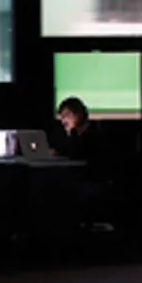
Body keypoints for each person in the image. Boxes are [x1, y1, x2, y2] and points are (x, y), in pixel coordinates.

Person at [53, 96, 114, 228]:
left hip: (94, 181)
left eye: (67, 116)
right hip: (83, 180)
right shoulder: (77, 135)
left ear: (79, 114)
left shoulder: (93, 135)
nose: (63, 120)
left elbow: (77, 155)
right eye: (62, 117)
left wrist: (69, 133)